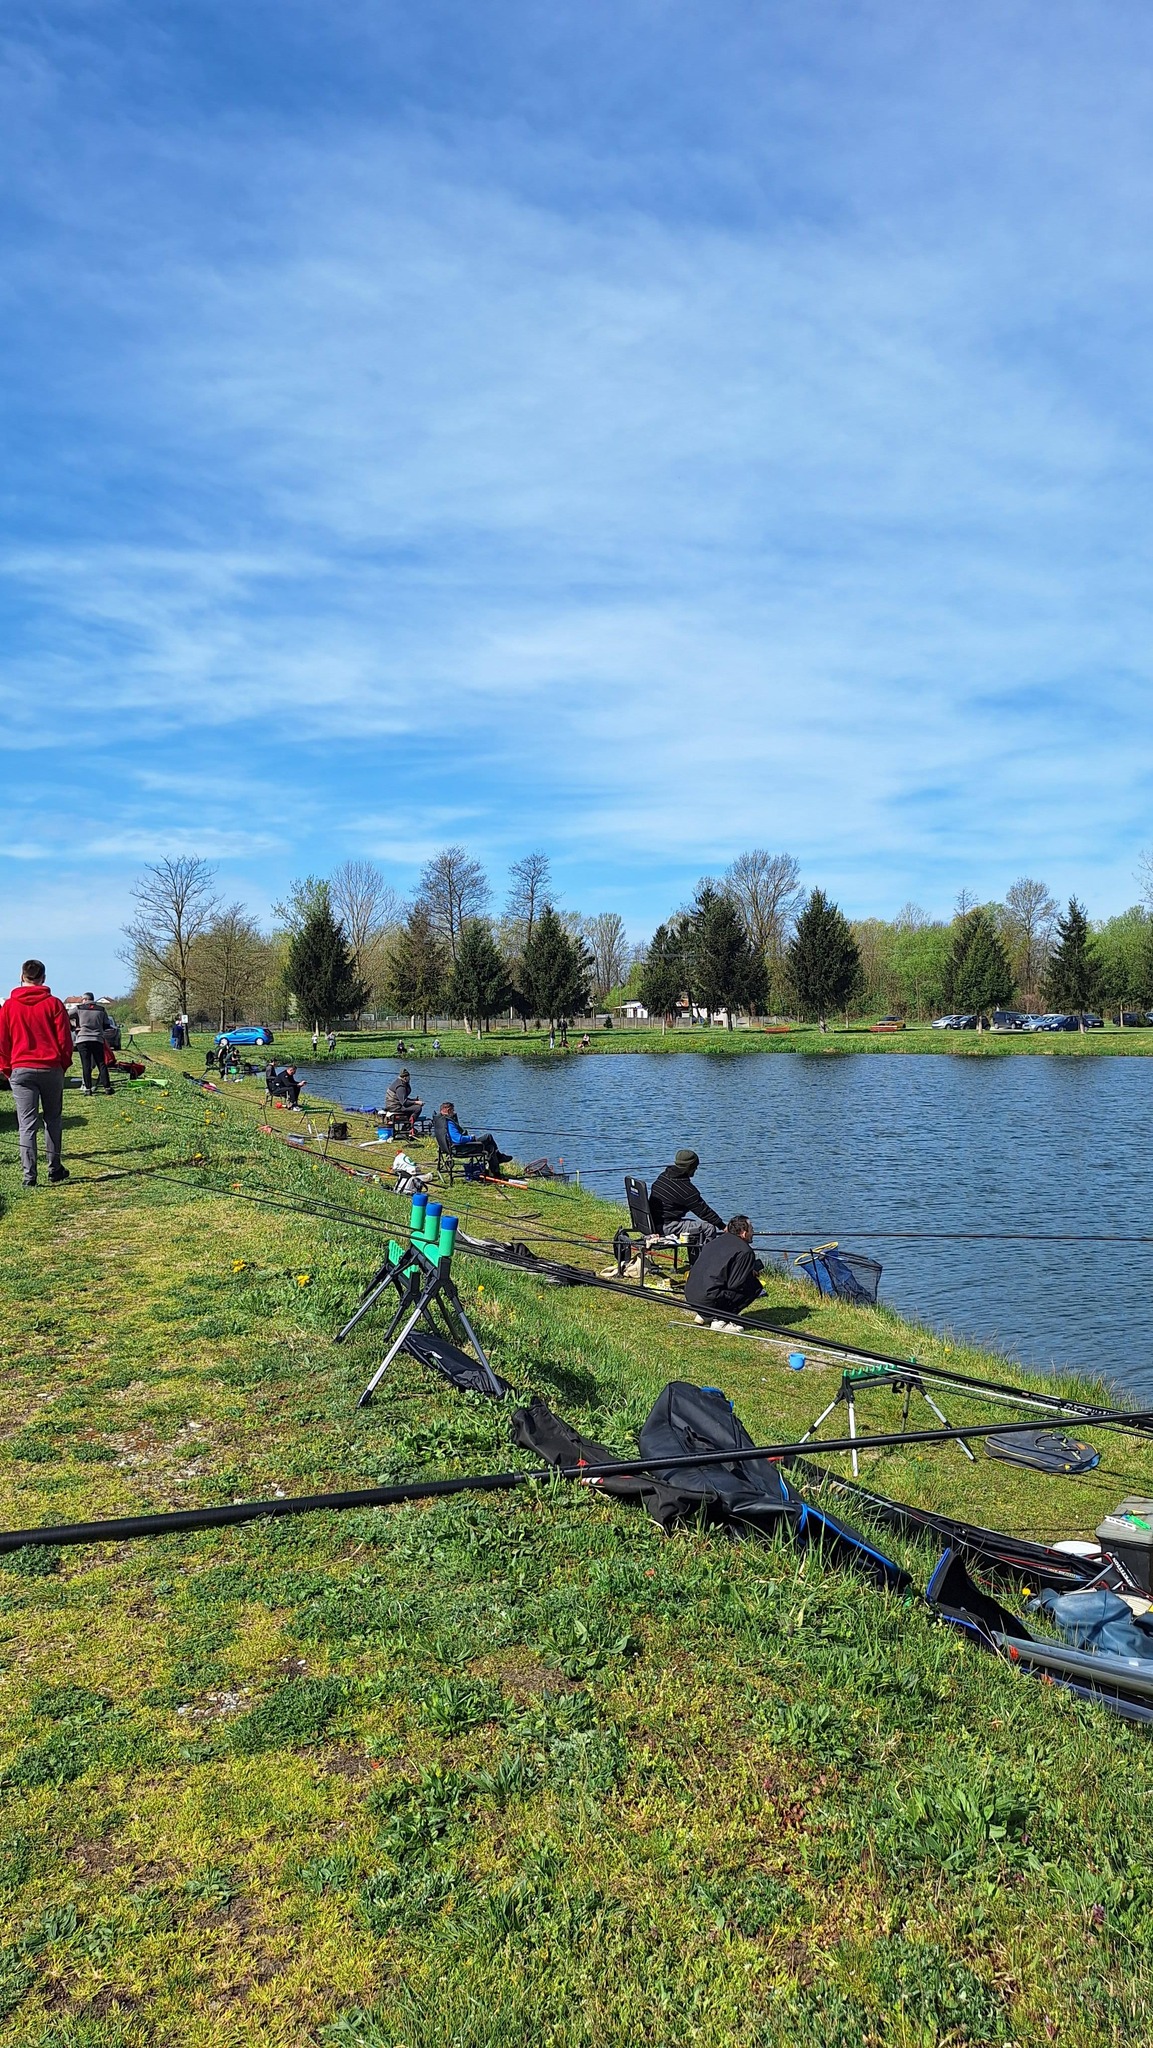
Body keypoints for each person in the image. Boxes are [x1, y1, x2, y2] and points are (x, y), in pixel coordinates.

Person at [0, 959, 74, 1187]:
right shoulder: (54, 1004)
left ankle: (29, 1175)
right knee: (53, 1119)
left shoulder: (9, 1006)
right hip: (50, 1068)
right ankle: (54, 1168)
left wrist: (7, 1068)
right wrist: (62, 1065)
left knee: (26, 1124)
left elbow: (2, 1041)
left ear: (22, 977)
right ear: (43, 978)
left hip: (21, 1069)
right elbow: (65, 1040)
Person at [684, 1215, 764, 1333]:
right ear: (743, 1232)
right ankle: (720, 1320)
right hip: (707, 1298)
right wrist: (749, 1274)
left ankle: (705, 1314)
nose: (753, 1232)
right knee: (754, 1286)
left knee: (715, 1284)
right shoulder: (745, 1251)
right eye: (751, 1229)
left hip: (691, 1293)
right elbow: (735, 1284)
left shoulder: (716, 1241)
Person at [649, 1149, 725, 1259]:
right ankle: (707, 1262)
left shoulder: (664, 1176)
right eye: (695, 1166)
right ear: (690, 1167)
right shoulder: (686, 1190)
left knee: (695, 1226)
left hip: (653, 1222)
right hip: (666, 1227)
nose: (696, 1169)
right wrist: (723, 1226)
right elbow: (703, 1211)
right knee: (709, 1228)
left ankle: (696, 1260)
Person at [431, 1101, 510, 1177]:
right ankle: (497, 1166)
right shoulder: (449, 1123)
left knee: (490, 1147)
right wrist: (471, 1138)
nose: (454, 1113)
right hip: (459, 1149)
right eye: (452, 1111)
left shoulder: (440, 1121)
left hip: (450, 1148)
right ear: (448, 1110)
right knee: (488, 1138)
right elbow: (458, 1139)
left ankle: (495, 1170)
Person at [70, 992, 115, 1096]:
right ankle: (107, 1087)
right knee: (101, 1063)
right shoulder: (101, 1009)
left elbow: (64, 1015)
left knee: (86, 1064)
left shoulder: (78, 1008)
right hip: (97, 1039)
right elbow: (106, 1025)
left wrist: (73, 1027)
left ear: (85, 999)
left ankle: (88, 1089)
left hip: (82, 1039)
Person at [384, 1066, 423, 1136]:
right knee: (418, 1108)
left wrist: (414, 1100)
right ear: (405, 1077)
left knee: (414, 1106)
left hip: (396, 1104)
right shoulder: (400, 1087)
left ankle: (406, 1126)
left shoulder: (399, 1082)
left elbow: (402, 1098)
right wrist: (416, 1102)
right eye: (409, 1077)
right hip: (395, 1107)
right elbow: (404, 1102)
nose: (410, 1079)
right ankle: (409, 1127)